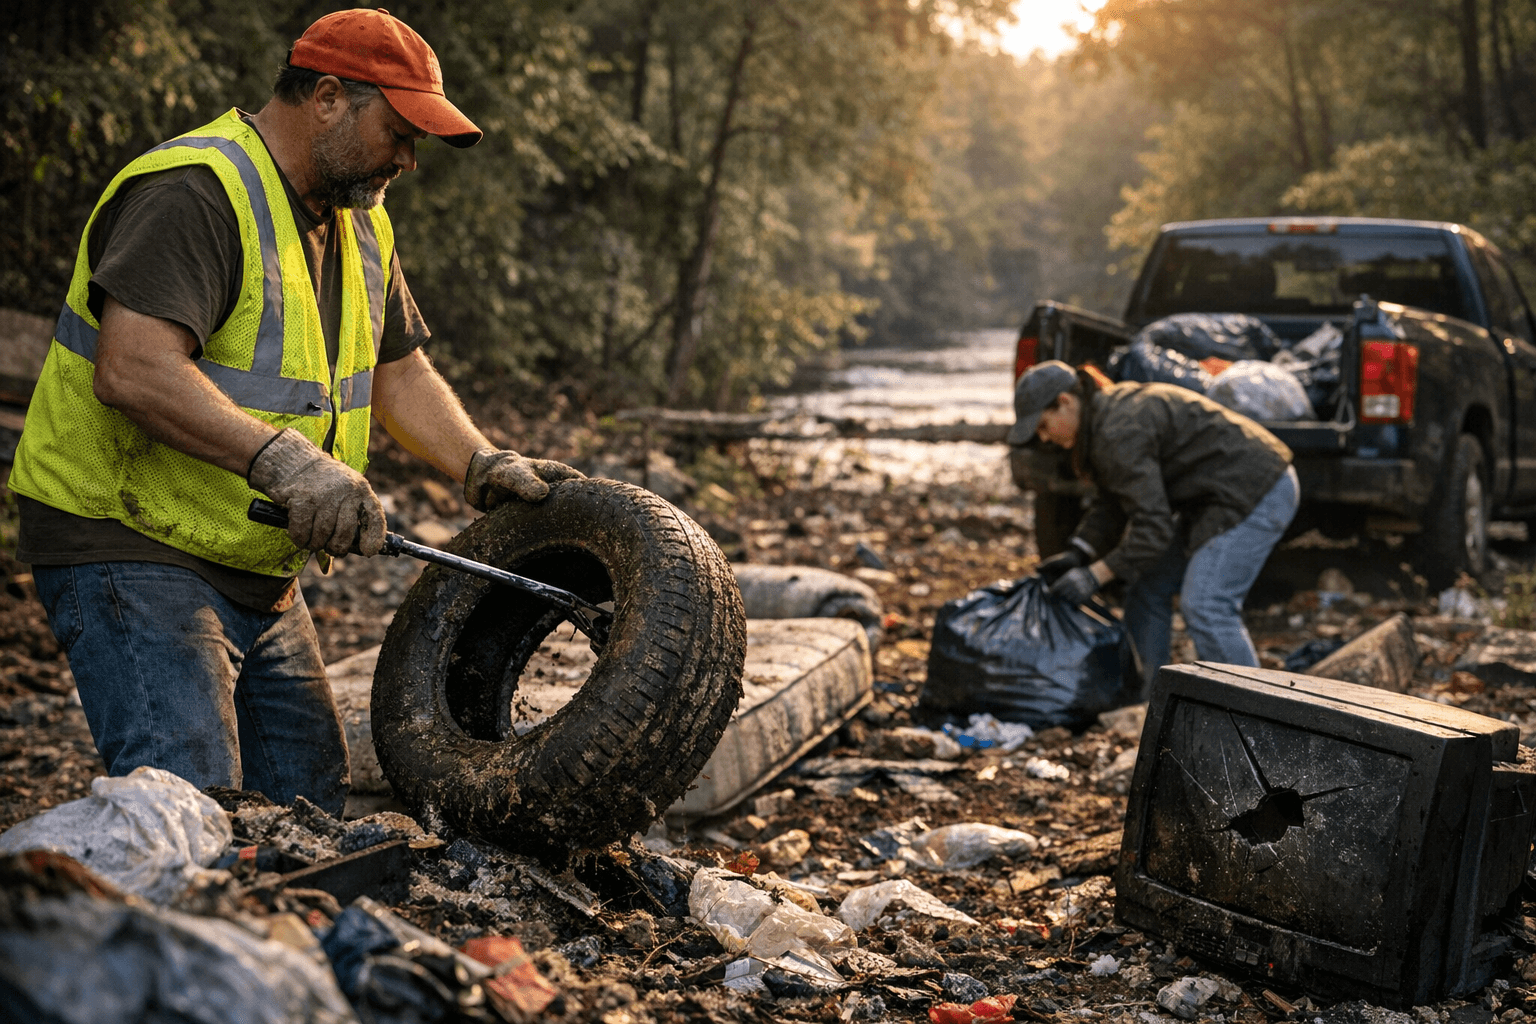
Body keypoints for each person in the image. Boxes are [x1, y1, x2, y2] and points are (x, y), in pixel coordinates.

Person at [9, 9, 582, 816]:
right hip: (129, 540)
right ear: (326, 98)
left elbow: (398, 373)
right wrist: (289, 463)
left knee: (306, 809)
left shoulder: (360, 216)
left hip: (253, 560)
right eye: (399, 130)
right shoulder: (196, 191)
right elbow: (133, 369)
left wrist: (478, 463)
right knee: (197, 811)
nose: (411, 159)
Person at [1007, 360, 1298, 691]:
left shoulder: (1119, 430)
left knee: (1206, 605)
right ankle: (1151, 698)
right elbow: (1114, 502)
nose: (1044, 438)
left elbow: (1153, 530)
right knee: (1147, 588)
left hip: (1259, 486)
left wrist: (1096, 574)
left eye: (1044, 426)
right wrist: (1078, 552)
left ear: (1065, 401)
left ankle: (1257, 718)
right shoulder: (1102, 420)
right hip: (1215, 498)